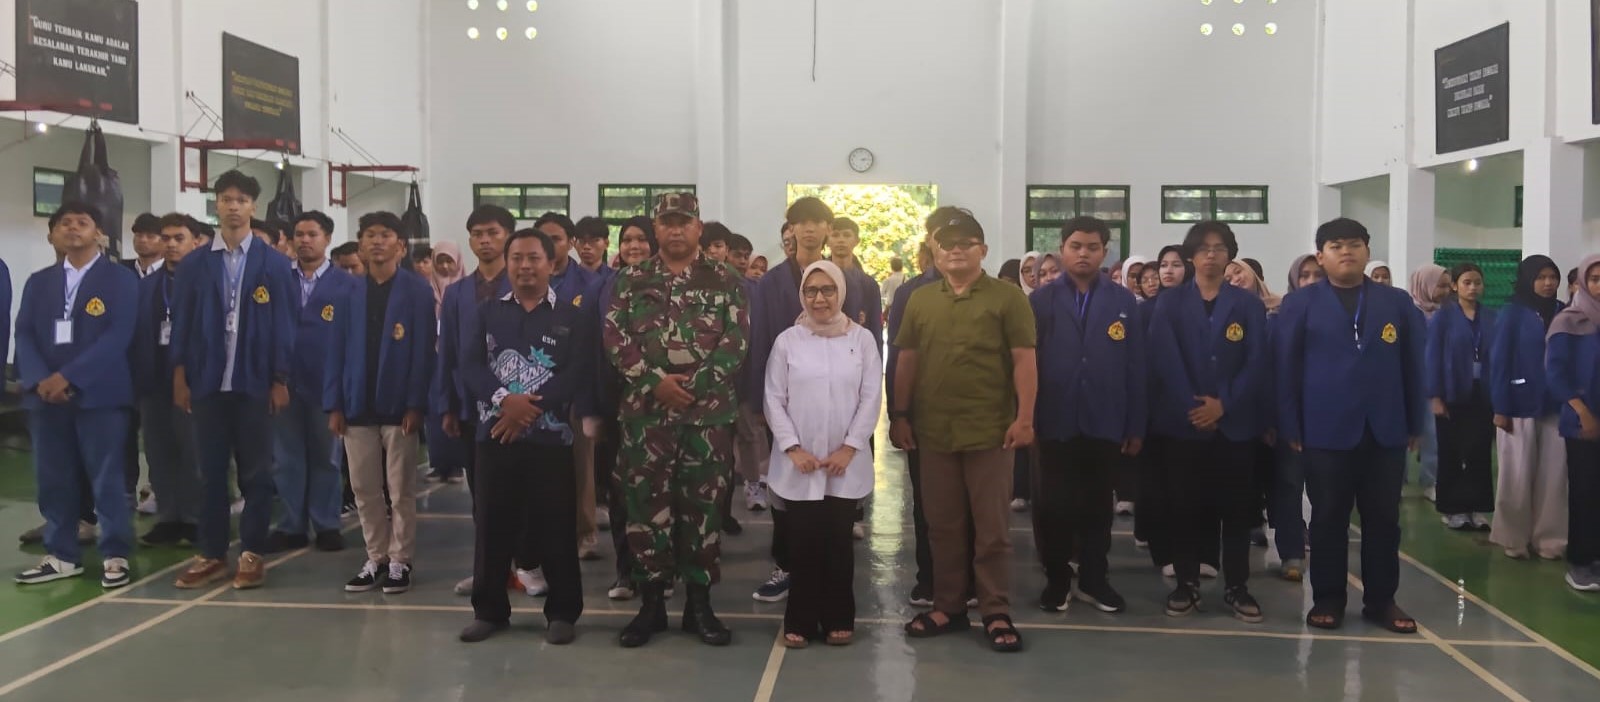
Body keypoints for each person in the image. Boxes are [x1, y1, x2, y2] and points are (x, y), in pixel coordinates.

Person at [605, 192, 748, 648]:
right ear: (656, 228)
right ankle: (651, 606)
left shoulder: (726, 279)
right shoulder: (630, 279)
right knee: (645, 511)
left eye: (684, 222)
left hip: (706, 419)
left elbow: (737, 340)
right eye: (667, 222)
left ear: (698, 228)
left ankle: (699, 607)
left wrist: (695, 385)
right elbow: (615, 337)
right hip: (646, 420)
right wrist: (654, 382)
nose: (676, 229)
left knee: (703, 513)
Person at [893, 209, 1035, 653]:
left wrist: (1025, 418)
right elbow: (907, 359)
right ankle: (948, 606)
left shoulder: (1008, 298)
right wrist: (899, 415)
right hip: (934, 433)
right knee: (943, 526)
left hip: (991, 432)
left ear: (982, 250)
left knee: (991, 529)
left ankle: (995, 610)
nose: (956, 250)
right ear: (935, 251)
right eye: (947, 244)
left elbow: (1024, 360)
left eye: (966, 243)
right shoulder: (920, 300)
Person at [1276, 217, 1425, 634]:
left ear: (1367, 251)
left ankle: (1381, 600)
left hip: (1385, 428)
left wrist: (1415, 420)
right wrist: (1290, 425)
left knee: (1384, 519)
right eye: (1336, 246)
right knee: (1327, 517)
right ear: (1320, 256)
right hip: (1324, 428)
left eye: (1355, 244)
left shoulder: (1396, 302)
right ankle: (1328, 598)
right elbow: (1285, 369)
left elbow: (1414, 366)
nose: (1347, 252)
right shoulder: (1300, 304)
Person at [457, 228, 592, 644]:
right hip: (495, 437)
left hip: (551, 441)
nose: (525, 266)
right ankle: (490, 611)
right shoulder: (486, 312)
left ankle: (563, 613)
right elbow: (470, 365)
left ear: (551, 264)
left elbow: (577, 372)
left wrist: (528, 408)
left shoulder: (571, 316)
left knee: (556, 525)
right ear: (507, 263)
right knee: (492, 526)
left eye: (534, 258)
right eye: (517, 258)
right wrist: (504, 401)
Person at [748, 197, 882, 602]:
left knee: (834, 495)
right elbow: (761, 341)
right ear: (790, 229)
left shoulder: (852, 280)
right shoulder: (770, 283)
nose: (808, 229)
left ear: (827, 228)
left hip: (842, 407)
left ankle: (830, 571)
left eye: (816, 222)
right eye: (800, 222)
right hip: (787, 406)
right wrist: (759, 405)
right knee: (787, 490)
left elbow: (867, 344)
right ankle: (786, 564)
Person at [169, 170, 296, 591]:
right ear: (216, 205)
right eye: (226, 199)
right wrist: (180, 375)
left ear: (253, 207)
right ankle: (211, 553)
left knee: (256, 473)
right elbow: (182, 322)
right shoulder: (194, 263)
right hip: (207, 382)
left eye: (242, 199)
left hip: (254, 381)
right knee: (210, 473)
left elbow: (285, 326)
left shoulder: (274, 264)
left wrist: (279, 378)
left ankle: (252, 551)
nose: (234, 206)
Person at [13, 203, 139, 588]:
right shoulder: (39, 282)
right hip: (46, 398)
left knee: (106, 478)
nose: (72, 228)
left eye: (82, 223)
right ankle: (62, 554)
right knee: (54, 477)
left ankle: (115, 553)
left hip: (100, 395)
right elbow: (24, 333)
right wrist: (40, 379)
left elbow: (118, 336)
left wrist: (69, 377)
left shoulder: (120, 279)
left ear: (98, 233)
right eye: (64, 223)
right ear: (53, 235)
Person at [1147, 222, 1268, 622]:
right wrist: (1195, 407)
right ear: (1191, 256)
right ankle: (1186, 584)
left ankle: (1237, 587)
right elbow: (1164, 359)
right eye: (1204, 248)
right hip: (1183, 425)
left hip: (1235, 426)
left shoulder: (1248, 305)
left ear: (1230, 254)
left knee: (1235, 511)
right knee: (1184, 507)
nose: (1211, 255)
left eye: (1219, 248)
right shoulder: (1170, 303)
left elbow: (1257, 361)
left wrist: (1224, 406)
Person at [1028, 216, 1142, 618]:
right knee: (1054, 505)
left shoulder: (1123, 301)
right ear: (1062, 249)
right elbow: (1027, 363)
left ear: (1104, 252)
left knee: (1097, 506)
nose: (1083, 254)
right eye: (1075, 246)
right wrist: (1026, 417)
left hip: (1104, 419)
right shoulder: (1041, 300)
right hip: (1053, 417)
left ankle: (1094, 579)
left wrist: (1134, 423)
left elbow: (1136, 366)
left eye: (1092, 248)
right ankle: (1057, 580)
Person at [765, 260, 881, 648]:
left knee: (838, 544)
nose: (819, 298)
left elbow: (870, 397)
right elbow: (773, 399)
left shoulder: (862, 340)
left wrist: (849, 447)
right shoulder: (788, 341)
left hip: (845, 464)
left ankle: (838, 617)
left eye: (827, 290)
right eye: (811, 290)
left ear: (841, 293)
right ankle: (799, 619)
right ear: (802, 295)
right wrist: (792, 448)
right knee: (802, 544)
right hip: (799, 463)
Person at [326, 211, 436, 595]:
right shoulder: (347, 292)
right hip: (356, 404)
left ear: (401, 246)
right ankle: (376, 557)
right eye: (370, 234)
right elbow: (335, 351)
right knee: (364, 488)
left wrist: (416, 404)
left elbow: (423, 352)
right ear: (360, 244)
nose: (377, 241)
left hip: (399, 406)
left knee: (400, 489)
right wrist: (335, 404)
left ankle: (400, 559)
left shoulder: (417, 291)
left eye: (385, 235)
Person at [437, 205, 536, 597]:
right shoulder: (457, 293)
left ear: (508, 236)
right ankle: (489, 571)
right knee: (482, 495)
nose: (485, 240)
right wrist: (448, 404)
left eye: (493, 232)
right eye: (477, 234)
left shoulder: (526, 286)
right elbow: (448, 352)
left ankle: (526, 567)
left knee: (522, 493)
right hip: (471, 407)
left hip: (519, 407)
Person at [886, 207, 966, 609]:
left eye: (960, 237)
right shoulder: (910, 293)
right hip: (924, 417)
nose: (951, 245)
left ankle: (968, 580)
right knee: (928, 504)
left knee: (971, 504)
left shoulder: (990, 291)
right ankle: (930, 578)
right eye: (942, 236)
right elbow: (898, 357)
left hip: (975, 417)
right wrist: (898, 415)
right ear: (930, 240)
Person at [265, 211, 358, 554]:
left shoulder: (347, 284)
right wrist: (273, 377)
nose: (304, 240)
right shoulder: (277, 279)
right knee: (286, 458)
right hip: (284, 382)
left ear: (327, 239)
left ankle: (326, 523)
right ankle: (292, 525)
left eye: (312, 234)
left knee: (327, 458)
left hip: (326, 385)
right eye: (299, 234)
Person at [585, 216, 657, 601]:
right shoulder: (604, 287)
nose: (634, 246)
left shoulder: (670, 285)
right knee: (620, 492)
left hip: (661, 408)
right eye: (627, 239)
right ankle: (626, 572)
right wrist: (593, 409)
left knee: (660, 494)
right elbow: (591, 349)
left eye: (641, 239)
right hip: (617, 407)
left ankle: (661, 571)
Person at [1489, 255, 1568, 560]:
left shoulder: (1564, 311)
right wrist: (1500, 407)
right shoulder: (1512, 313)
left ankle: (1550, 539)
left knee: (1554, 475)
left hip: (1556, 405)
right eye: (1541, 277)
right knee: (1516, 473)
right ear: (1527, 279)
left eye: (1553, 277)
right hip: (1517, 403)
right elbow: (1499, 361)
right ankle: (1514, 537)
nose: (1548, 283)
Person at [534, 211, 601, 558]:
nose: (549, 244)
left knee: (580, 468)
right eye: (542, 238)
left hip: (575, 389)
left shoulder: (591, 284)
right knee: (539, 469)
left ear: (570, 242)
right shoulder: (526, 280)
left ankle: (585, 534)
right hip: (532, 388)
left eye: (556, 238)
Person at [1428, 262, 1497, 531]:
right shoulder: (1443, 317)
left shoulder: (1491, 317)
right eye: (1467, 282)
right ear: (1455, 286)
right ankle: (1452, 509)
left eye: (1477, 282)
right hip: (1452, 392)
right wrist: (1435, 396)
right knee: (1452, 451)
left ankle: (1477, 508)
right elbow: (1432, 358)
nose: (1473, 287)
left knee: (1479, 451)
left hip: (1483, 392)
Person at [1546, 255, 1600, 592]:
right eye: (1595, 279)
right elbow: (1555, 375)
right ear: (1582, 283)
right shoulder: (1568, 321)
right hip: (1582, 421)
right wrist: (1583, 412)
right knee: (1586, 491)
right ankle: (1581, 562)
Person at [424, 242, 468, 484]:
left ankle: (457, 465)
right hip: (432, 358)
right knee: (435, 411)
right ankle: (439, 463)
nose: (444, 266)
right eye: (439, 260)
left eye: (449, 260)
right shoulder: (425, 290)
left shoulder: (466, 290)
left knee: (457, 408)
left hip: (457, 357)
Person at [1410, 263, 1451, 502]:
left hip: (1439, 384)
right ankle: (1398, 482)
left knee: (1435, 436)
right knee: (1410, 435)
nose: (1445, 291)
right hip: (1415, 383)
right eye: (1440, 286)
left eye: (1447, 286)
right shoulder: (1410, 313)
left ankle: (1432, 480)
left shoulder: (1448, 313)